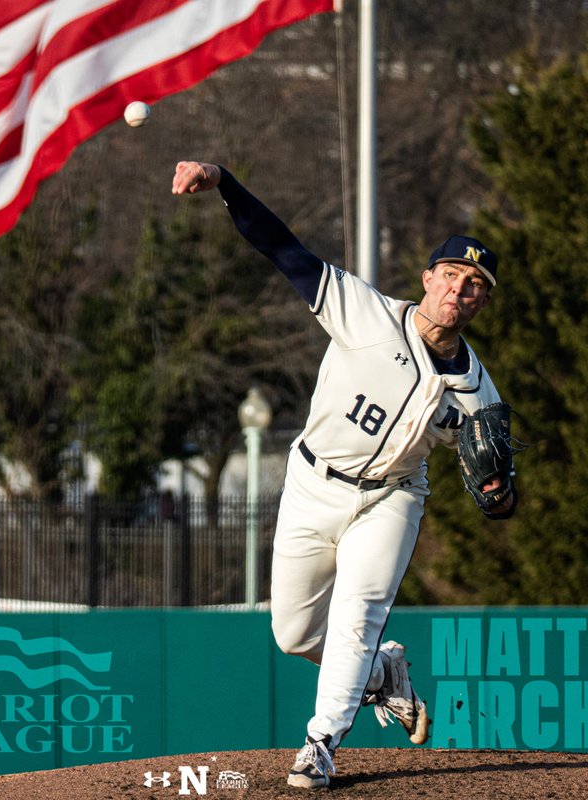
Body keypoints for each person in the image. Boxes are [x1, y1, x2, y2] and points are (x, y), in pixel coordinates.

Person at [171, 161, 517, 789]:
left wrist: (497, 495)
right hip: (312, 484)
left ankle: (320, 744)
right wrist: (224, 181)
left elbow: (498, 493)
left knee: (358, 615)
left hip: (392, 499)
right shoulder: (366, 312)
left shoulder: (478, 394)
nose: (457, 292)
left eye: (473, 285)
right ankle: (385, 674)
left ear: (482, 301)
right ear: (428, 278)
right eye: (450, 276)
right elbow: (282, 247)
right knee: (294, 634)